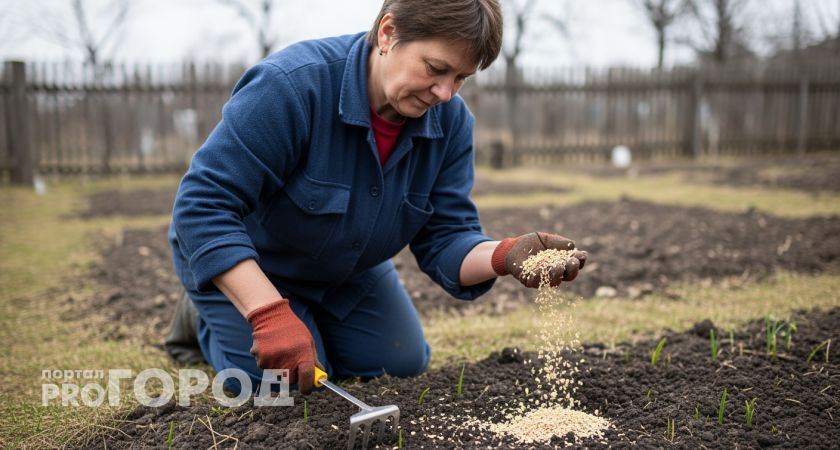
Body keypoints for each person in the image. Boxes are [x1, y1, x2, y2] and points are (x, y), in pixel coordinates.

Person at [165, 0, 587, 396]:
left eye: (460, 78)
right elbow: (202, 204)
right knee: (282, 386)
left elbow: (446, 235)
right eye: (435, 68)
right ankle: (208, 315)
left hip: (345, 271)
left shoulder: (451, 123)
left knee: (401, 361)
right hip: (257, 265)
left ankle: (310, 323)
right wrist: (267, 313)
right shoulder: (291, 88)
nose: (445, 93)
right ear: (388, 33)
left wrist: (506, 255)